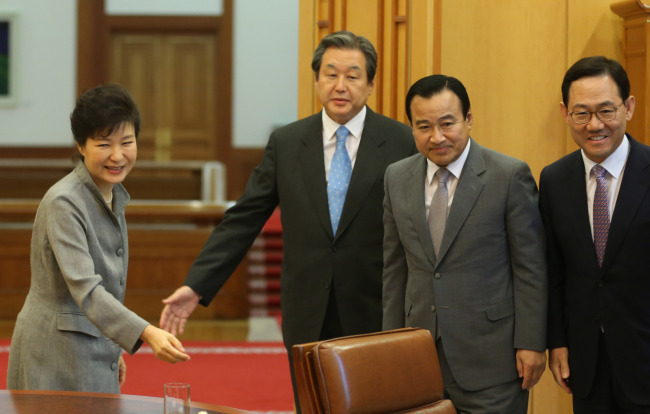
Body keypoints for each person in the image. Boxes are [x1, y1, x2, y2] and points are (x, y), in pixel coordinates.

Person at [159, 30, 416, 410]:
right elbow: (244, 218)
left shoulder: (401, 142)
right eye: (330, 74)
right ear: (316, 80)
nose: (340, 86)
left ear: (371, 84)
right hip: (307, 308)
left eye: (352, 75)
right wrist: (197, 286)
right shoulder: (288, 142)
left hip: (376, 306)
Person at [7, 84, 190, 393]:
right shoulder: (64, 201)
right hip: (54, 351)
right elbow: (88, 290)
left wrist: (113, 348)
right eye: (104, 144)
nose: (117, 156)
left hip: (92, 345)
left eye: (127, 142)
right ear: (81, 145)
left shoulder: (112, 194)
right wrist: (147, 332)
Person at [382, 74, 547, 413]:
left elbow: (530, 268)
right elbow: (395, 269)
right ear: (411, 128)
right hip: (418, 357)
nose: (437, 137)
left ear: (468, 120)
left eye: (447, 123)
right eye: (424, 126)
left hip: (492, 361)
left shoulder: (508, 175)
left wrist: (532, 343)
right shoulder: (396, 178)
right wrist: (388, 345)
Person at [541, 56, 650, 413]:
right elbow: (554, 271)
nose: (595, 125)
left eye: (606, 110)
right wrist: (556, 342)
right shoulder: (554, 180)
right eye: (582, 113)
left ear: (629, 107)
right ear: (565, 112)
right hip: (586, 361)